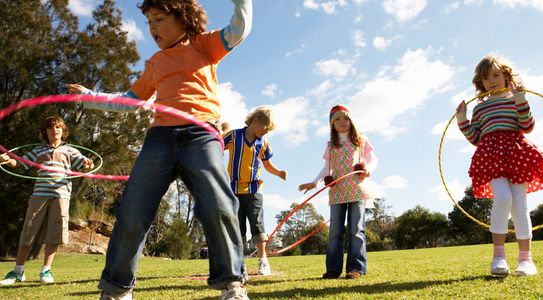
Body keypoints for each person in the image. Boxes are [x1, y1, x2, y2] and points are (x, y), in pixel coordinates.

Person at [66, 0, 252, 299]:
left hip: (200, 134)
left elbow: (239, 30)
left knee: (218, 204)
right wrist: (90, 96)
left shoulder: (204, 45)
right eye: (148, 22)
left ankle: (232, 283)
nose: (152, 28)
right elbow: (129, 101)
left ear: (182, 18)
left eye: (159, 19)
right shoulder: (155, 62)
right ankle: (117, 288)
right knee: (132, 209)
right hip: (160, 138)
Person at [455, 55, 543, 276]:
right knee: (503, 197)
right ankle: (498, 257)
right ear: (481, 83)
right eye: (486, 78)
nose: (491, 81)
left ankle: (526, 260)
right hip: (491, 155)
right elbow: (476, 137)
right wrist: (462, 118)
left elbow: (527, 126)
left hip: (516, 154)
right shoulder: (480, 108)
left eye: (496, 75)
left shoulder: (515, 98)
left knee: (520, 204)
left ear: (507, 76)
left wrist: (520, 100)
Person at [0, 116, 94, 286]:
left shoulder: (71, 150)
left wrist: (89, 163)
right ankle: (18, 271)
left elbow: (85, 165)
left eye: (58, 127)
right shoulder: (38, 150)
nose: (54, 130)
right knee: (28, 231)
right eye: (50, 127)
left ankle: (46, 270)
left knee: (54, 234)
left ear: (63, 131)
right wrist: (8, 160)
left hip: (61, 196)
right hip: (39, 195)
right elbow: (19, 163)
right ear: (45, 132)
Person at [298, 104, 378, 280]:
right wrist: (315, 182)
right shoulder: (331, 145)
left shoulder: (361, 139)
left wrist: (367, 168)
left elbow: (373, 159)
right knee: (335, 231)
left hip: (357, 189)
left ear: (351, 120)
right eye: (338, 119)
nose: (343, 122)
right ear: (332, 124)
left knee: (356, 230)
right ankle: (333, 269)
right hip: (337, 191)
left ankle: (356, 269)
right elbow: (327, 168)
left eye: (346, 118)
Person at [223, 107, 287, 276]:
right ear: (256, 121)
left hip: (254, 189)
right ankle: (238, 263)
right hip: (233, 189)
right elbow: (216, 146)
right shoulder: (233, 136)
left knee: (257, 225)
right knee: (237, 227)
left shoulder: (263, 142)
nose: (266, 133)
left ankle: (263, 261)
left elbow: (267, 164)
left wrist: (279, 172)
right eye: (265, 129)